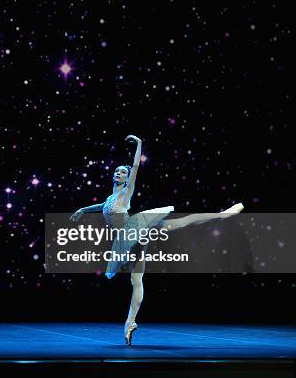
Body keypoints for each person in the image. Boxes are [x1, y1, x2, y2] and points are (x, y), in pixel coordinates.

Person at [69, 135, 243, 345]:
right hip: (125, 239)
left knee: (179, 224)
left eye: (122, 172)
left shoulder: (127, 190)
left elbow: (135, 166)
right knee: (136, 280)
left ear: (127, 178)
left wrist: (140, 143)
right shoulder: (110, 197)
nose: (119, 173)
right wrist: (82, 209)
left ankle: (224, 215)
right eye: (117, 171)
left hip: (133, 228)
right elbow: (101, 207)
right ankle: (130, 324)